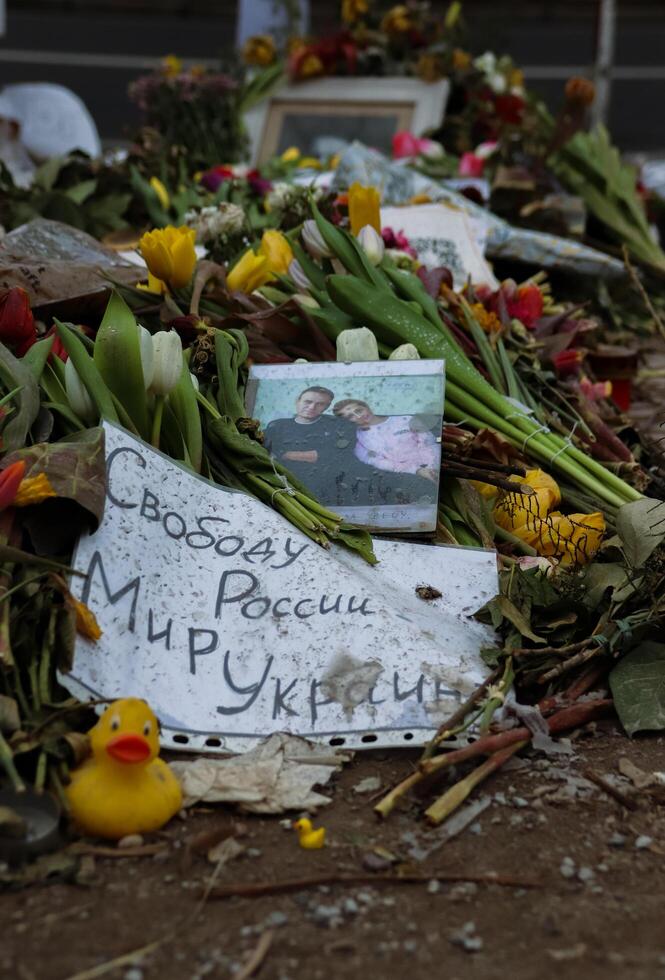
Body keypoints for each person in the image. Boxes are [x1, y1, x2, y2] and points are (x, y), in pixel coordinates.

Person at [262, 386, 358, 502]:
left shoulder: (335, 426)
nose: (312, 407)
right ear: (298, 401)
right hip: (282, 483)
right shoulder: (277, 425)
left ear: (326, 407)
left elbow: (330, 455)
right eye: (308, 402)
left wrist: (284, 454)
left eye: (320, 404)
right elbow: (264, 452)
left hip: (321, 484)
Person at [332, 398, 440, 501]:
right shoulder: (359, 442)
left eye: (359, 410)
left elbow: (429, 443)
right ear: (347, 421)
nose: (358, 416)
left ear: (366, 406)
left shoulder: (405, 419)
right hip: (408, 479)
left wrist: (432, 467)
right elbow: (382, 464)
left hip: (436, 465)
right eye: (351, 416)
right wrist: (417, 471)